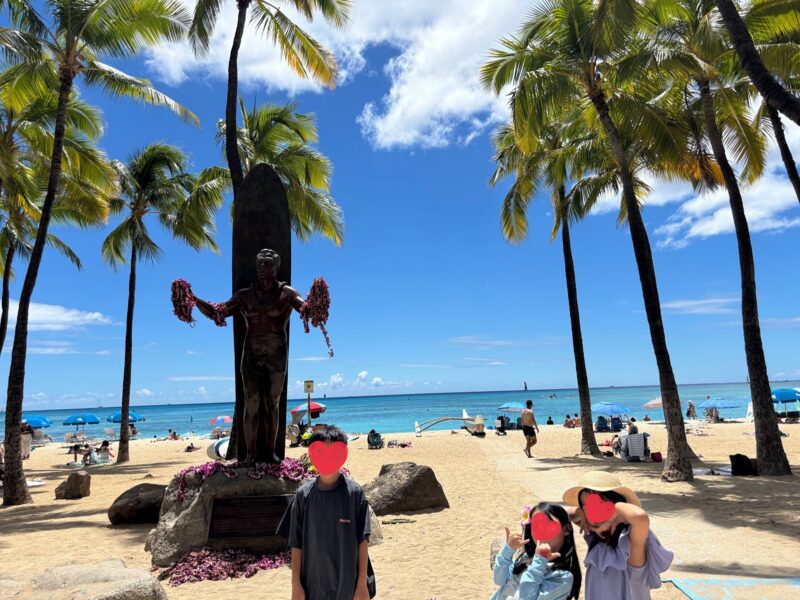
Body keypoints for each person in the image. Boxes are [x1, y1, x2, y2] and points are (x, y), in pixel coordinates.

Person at [278, 426, 372, 600]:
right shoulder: (303, 495)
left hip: (347, 587)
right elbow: (296, 544)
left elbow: (363, 541)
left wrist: (361, 585)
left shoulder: (354, 494)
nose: (327, 459)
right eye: (320, 452)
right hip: (312, 587)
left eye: (334, 453)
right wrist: (295, 585)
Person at [563, 472, 673, 600]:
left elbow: (639, 516)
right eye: (586, 507)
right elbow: (567, 514)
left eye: (601, 505)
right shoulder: (595, 536)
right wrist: (582, 513)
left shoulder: (630, 546)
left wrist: (617, 507)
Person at [491, 502, 582, 600]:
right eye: (536, 525)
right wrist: (508, 550)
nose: (541, 531)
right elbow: (499, 580)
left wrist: (539, 562)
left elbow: (526, 597)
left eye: (548, 524)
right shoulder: (525, 557)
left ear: (566, 529)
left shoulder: (563, 577)